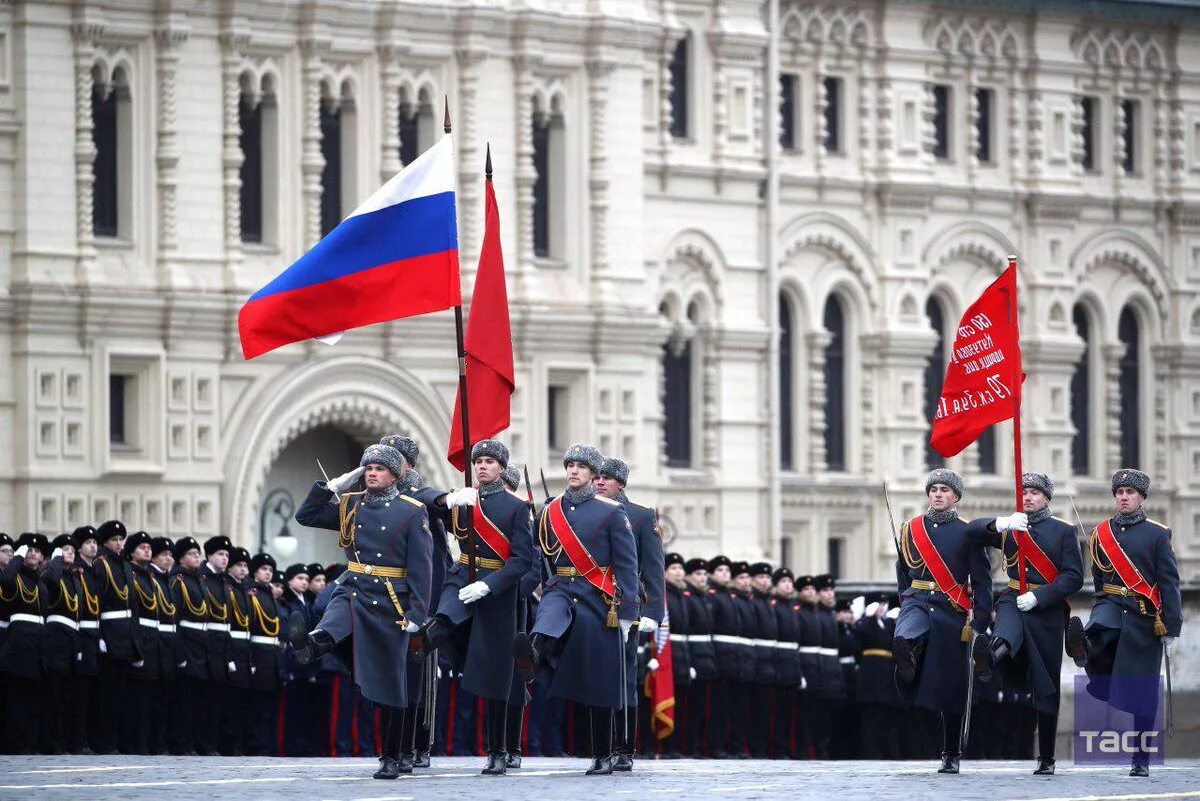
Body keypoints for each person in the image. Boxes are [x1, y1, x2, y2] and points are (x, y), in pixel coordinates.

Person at [293, 439, 434, 780]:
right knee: (337, 615)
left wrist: (416, 614)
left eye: (380, 468)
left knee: (390, 687)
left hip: (390, 600)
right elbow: (306, 516)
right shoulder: (351, 505)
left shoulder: (412, 510)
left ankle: (390, 757)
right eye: (368, 468)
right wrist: (330, 487)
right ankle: (314, 644)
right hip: (356, 587)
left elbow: (422, 567)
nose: (372, 473)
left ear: (395, 475)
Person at [519, 443, 638, 775]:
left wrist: (628, 611)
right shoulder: (549, 511)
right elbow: (536, 558)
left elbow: (627, 566)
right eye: (569, 465)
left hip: (597, 597)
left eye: (580, 467)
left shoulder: (613, 512)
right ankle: (533, 652)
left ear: (593, 475)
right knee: (548, 617)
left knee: (599, 681)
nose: (572, 471)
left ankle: (602, 754)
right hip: (559, 587)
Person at [423, 439, 532, 775]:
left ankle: (498, 750)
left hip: (496, 589)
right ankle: (429, 635)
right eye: (478, 461)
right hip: (463, 571)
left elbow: (523, 560)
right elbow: (420, 500)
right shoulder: (463, 499)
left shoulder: (516, 507)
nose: (482, 466)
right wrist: (447, 498)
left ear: (501, 467)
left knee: (497, 677)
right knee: (446, 611)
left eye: (489, 461)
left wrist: (490, 584)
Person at [966, 472, 1083, 775]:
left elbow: (1073, 577)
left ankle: (1046, 757)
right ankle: (988, 658)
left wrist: (1041, 597)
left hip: (1046, 610)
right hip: (1013, 597)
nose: (1028, 497)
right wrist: (1000, 523)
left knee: (1047, 685)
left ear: (1046, 497)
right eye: (1024, 492)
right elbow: (972, 531)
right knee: (1005, 633)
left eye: (1034, 492)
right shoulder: (1011, 527)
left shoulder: (1063, 532)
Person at [1067, 469, 1182, 777]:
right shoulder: (1101, 532)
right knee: (1097, 633)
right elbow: (1100, 578)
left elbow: (1169, 583)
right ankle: (1083, 650)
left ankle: (1141, 760)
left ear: (1141, 498)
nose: (1124, 497)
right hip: (1111, 605)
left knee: (1142, 692)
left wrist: (1171, 625)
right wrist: (1100, 601)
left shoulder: (1158, 534)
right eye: (1119, 492)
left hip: (1144, 614)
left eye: (1130, 493)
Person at [893, 469, 993, 774]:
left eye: (945, 490)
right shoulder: (911, 529)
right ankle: (907, 659)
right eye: (934, 489)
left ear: (956, 497)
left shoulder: (968, 532)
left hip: (952, 611)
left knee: (953, 688)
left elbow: (982, 580)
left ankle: (951, 753)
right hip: (918, 602)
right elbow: (902, 570)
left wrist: (980, 622)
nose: (938, 494)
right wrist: (906, 597)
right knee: (907, 632)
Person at [594, 456, 664, 771]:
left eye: (607, 478)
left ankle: (624, 747)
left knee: (623, 676)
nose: (599, 482)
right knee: (597, 674)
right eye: (597, 477)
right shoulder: (589, 513)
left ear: (620, 484)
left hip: (625, 605)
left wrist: (653, 611)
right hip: (593, 603)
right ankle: (600, 746)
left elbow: (654, 568)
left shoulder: (640, 516)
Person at [0, 533, 54, 752]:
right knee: (17, 696)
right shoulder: (15, 576)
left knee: (33, 696)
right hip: (20, 640)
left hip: (39, 641)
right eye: (28, 550)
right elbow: (4, 580)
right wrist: (17, 557)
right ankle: (15, 743)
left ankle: (28, 742)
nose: (33, 554)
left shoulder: (39, 580)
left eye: (37, 551)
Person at [93, 520, 137, 755]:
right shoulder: (102, 564)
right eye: (114, 540)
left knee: (120, 694)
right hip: (110, 632)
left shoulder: (124, 566)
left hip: (125, 635)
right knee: (107, 694)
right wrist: (100, 635)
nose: (119, 544)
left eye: (121, 540)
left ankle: (114, 740)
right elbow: (95, 601)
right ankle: (103, 741)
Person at [168, 536, 208, 756]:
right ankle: (181, 742)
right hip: (187, 643)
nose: (197, 557)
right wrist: (180, 653)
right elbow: (176, 618)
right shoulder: (179, 580)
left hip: (200, 646)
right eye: (192, 554)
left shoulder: (197, 579)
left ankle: (190, 741)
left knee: (195, 701)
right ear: (181, 558)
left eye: (197, 553)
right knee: (183, 699)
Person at [40, 533, 79, 754]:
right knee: (54, 696)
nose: (70, 553)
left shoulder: (72, 576)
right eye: (65, 549)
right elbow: (51, 580)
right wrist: (55, 558)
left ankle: (62, 741)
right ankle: (51, 743)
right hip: (56, 639)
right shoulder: (53, 572)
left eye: (72, 550)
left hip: (71, 639)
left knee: (66, 697)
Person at [124, 530, 161, 754]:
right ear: (131, 552)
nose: (147, 550)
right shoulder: (131, 575)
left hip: (153, 641)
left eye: (148, 547)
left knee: (149, 699)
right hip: (139, 639)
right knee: (135, 699)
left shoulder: (149, 577)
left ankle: (144, 743)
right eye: (142, 547)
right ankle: (132, 743)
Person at [854, 592, 901, 759]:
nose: (881, 608)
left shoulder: (885, 624)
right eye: (878, 604)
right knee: (871, 719)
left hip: (886, 674)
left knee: (887, 719)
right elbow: (859, 641)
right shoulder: (866, 624)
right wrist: (867, 617)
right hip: (871, 675)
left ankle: (887, 753)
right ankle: (872, 753)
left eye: (883, 604)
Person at [198, 535, 233, 755]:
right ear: (209, 555)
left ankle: (212, 744)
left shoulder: (224, 581)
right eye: (220, 554)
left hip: (223, 647)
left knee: (217, 701)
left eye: (227, 555)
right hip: (207, 644)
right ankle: (203, 744)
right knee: (204, 700)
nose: (224, 559)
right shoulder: (203, 579)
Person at [246, 552, 282, 756]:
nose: (268, 573)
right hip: (259, 655)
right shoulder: (252, 593)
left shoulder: (269, 594)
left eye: (270, 570)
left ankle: (266, 746)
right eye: (264, 569)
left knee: (268, 707)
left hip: (272, 657)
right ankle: (255, 746)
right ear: (255, 571)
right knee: (257, 706)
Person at [70, 526, 102, 755]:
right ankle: (76, 740)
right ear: (79, 546)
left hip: (94, 635)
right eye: (88, 542)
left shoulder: (95, 571)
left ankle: (87, 739)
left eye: (95, 542)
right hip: (80, 634)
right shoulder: (76, 571)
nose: (93, 546)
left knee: (91, 693)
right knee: (77, 694)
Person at [681, 558, 714, 757]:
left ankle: (698, 747)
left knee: (701, 709)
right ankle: (688, 746)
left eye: (704, 574)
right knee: (689, 709)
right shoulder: (688, 597)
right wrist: (690, 662)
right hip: (690, 658)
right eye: (697, 574)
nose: (702, 578)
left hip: (706, 659)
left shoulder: (705, 598)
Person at [223, 547, 254, 755]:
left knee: (242, 703)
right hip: (232, 649)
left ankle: (238, 744)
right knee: (230, 702)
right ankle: (228, 744)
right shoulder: (228, 588)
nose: (243, 570)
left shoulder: (243, 590)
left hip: (244, 652)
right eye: (239, 565)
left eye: (245, 566)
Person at [746, 562, 778, 758]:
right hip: (757, 661)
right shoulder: (753, 600)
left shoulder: (768, 601)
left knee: (766, 711)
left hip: (770, 663)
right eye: (761, 577)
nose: (765, 581)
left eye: (767, 577)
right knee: (754, 711)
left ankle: (763, 747)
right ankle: (755, 747)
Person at [771, 567, 802, 759]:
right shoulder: (774, 606)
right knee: (777, 712)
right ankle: (778, 748)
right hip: (779, 664)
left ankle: (788, 748)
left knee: (790, 712)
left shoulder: (793, 607)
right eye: (783, 581)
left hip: (791, 664)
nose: (788, 585)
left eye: (790, 581)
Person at [149, 536, 176, 754]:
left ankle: (161, 742)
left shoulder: (168, 580)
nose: (168, 559)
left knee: (165, 699)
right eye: (164, 555)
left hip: (169, 645)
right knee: (151, 698)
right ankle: (150, 742)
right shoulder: (152, 579)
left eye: (170, 555)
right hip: (155, 643)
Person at [795, 574, 823, 758]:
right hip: (805, 667)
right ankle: (803, 750)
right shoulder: (798, 613)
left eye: (813, 589)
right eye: (806, 589)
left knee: (815, 715)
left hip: (817, 669)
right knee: (803, 715)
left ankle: (814, 749)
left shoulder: (816, 613)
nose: (810, 592)